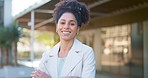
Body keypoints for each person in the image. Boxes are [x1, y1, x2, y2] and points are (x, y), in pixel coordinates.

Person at [32, 0, 96, 78]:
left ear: (78, 29)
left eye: (72, 24)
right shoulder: (47, 55)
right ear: (57, 27)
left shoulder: (87, 53)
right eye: (62, 23)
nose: (66, 27)